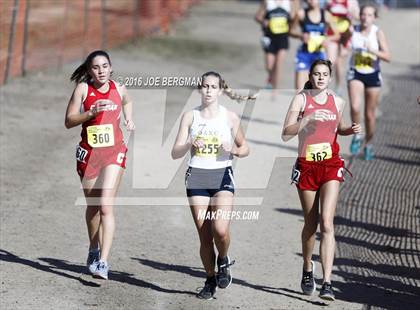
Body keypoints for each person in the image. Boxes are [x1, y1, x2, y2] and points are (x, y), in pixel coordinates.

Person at [282, 59, 362, 301]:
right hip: (307, 166)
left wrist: (350, 130)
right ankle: (308, 267)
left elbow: (338, 127)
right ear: (311, 76)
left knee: (327, 222)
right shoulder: (301, 99)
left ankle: (327, 282)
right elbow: (286, 133)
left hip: (330, 164)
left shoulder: (338, 101)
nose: (320, 78)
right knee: (311, 224)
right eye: (316, 74)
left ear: (329, 77)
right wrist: (305, 119)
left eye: (325, 74)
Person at [171, 71, 254, 300]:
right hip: (196, 177)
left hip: (222, 176)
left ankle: (223, 259)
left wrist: (234, 150)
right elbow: (174, 153)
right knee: (205, 236)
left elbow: (245, 148)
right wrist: (189, 142)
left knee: (220, 229)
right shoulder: (190, 117)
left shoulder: (230, 118)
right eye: (205, 86)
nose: (208, 90)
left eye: (213, 87)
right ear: (200, 89)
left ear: (219, 90)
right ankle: (209, 279)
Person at [65, 50, 135, 280]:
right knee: (93, 206)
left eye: (105, 66)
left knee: (106, 206)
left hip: (114, 153)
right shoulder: (83, 90)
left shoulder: (119, 88)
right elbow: (68, 121)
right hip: (89, 155)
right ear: (89, 70)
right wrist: (89, 113)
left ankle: (103, 262)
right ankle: (93, 248)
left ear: (111, 68)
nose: (101, 70)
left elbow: (127, 101)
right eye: (96, 67)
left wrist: (128, 118)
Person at [347, 4, 390, 160]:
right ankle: (358, 135)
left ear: (374, 18)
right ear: (360, 15)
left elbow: (388, 56)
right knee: (355, 106)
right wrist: (347, 31)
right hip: (355, 71)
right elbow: (343, 42)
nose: (366, 17)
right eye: (363, 14)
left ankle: (369, 144)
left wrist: (373, 51)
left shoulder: (377, 32)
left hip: (373, 74)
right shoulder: (354, 30)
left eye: (370, 15)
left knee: (370, 115)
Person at [290, 0, 338, 91]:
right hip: (303, 54)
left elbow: (337, 35)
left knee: (316, 90)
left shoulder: (326, 15)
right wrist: (300, 35)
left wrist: (327, 39)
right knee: (300, 90)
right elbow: (291, 31)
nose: (311, 1)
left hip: (318, 55)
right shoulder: (301, 13)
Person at [255, 0, 298, 90]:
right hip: (269, 36)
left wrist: (293, 21)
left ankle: (275, 88)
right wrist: (263, 21)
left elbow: (294, 18)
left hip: (283, 37)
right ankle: (271, 78)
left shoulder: (289, 3)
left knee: (279, 64)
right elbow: (258, 16)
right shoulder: (268, 2)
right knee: (269, 66)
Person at [325, 0, 360, 91]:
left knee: (340, 63)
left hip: (346, 35)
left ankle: (338, 86)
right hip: (332, 33)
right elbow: (325, 15)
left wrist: (351, 12)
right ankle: (323, 85)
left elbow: (357, 17)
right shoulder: (329, 1)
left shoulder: (351, 1)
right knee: (331, 61)